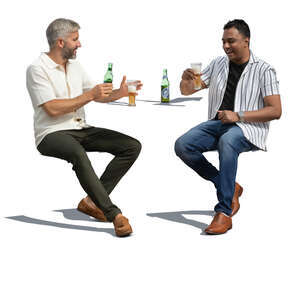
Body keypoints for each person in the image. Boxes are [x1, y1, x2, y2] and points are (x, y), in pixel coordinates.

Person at [26, 18, 142, 237]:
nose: (79, 44)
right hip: (50, 134)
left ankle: (91, 202)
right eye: (75, 39)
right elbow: (51, 108)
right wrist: (90, 95)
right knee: (78, 154)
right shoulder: (37, 69)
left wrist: (120, 92)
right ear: (60, 42)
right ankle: (113, 214)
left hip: (79, 128)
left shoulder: (75, 66)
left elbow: (97, 95)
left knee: (131, 146)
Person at [175, 19, 282, 235]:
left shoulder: (264, 70)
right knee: (183, 145)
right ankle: (228, 186)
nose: (225, 46)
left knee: (228, 140)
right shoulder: (218, 63)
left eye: (230, 41)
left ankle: (223, 212)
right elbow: (188, 91)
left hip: (247, 128)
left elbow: (275, 110)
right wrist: (185, 81)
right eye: (223, 41)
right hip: (217, 123)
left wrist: (238, 115)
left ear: (246, 41)